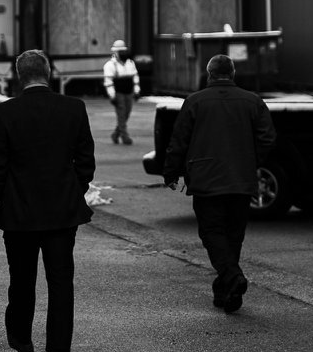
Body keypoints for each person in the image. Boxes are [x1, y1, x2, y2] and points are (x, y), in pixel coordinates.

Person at [0, 50, 95, 352]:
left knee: (21, 280)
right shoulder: (74, 108)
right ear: (48, 72)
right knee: (61, 281)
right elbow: (85, 159)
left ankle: (22, 339)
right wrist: (75, 190)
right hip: (62, 210)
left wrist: (5, 197)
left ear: (20, 75)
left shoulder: (5, 112)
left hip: (19, 212)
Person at [162, 54, 276, 313]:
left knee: (212, 232)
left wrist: (171, 172)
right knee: (234, 234)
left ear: (209, 73)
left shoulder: (194, 102)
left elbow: (179, 140)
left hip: (206, 179)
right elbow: (268, 138)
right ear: (233, 73)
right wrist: (251, 161)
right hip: (241, 179)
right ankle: (225, 289)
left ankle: (232, 277)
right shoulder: (253, 101)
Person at [102, 39, 139, 145]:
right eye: (120, 51)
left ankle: (115, 134)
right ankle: (125, 136)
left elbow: (135, 77)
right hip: (118, 93)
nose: (123, 53)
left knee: (127, 113)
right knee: (121, 114)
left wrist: (136, 91)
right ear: (115, 52)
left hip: (128, 92)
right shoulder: (110, 65)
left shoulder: (130, 63)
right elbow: (108, 81)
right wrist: (112, 95)